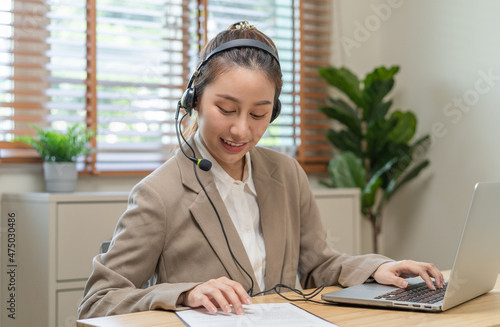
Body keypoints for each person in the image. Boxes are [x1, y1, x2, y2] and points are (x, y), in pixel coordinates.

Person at [78, 21, 443, 319]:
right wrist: (186, 293)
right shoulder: (159, 193)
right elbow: (98, 300)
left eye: (258, 114)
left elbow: (319, 263)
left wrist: (377, 269)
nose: (241, 130)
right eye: (226, 109)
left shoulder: (286, 173)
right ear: (195, 101)